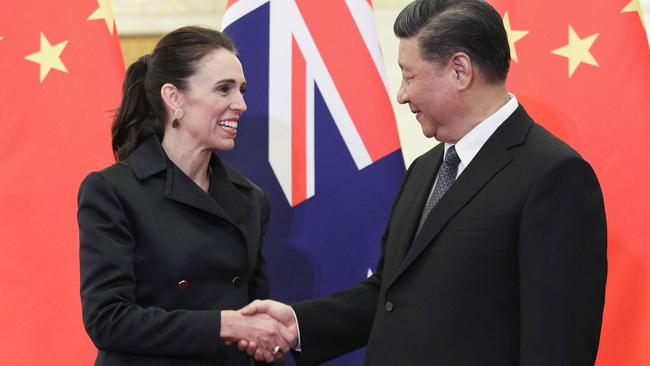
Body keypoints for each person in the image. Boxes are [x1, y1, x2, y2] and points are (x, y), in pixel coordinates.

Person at [237, 0, 608, 365]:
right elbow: (390, 293)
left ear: (460, 70)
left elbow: (558, 344)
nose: (401, 94)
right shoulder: (424, 168)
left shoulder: (554, 175)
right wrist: (298, 325)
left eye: (409, 75)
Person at [77, 26, 296, 366]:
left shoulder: (250, 198)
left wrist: (263, 341)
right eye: (224, 89)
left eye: (241, 90)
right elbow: (108, 319)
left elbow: (253, 316)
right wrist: (224, 324)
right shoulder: (113, 190)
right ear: (174, 97)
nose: (240, 104)